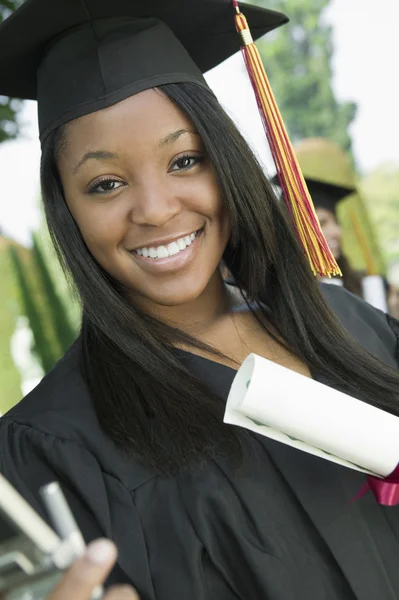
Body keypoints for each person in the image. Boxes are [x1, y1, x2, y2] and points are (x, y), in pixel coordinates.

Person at [1, 1, 399, 599]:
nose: (156, 209)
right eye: (105, 184)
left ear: (228, 164)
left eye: (185, 160)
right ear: (66, 208)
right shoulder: (49, 451)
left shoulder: (349, 326)